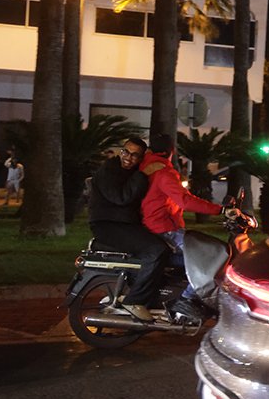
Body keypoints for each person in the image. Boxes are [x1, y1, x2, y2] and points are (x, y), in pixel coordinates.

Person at [140, 134, 223, 321]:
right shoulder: (164, 172)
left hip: (151, 225)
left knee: (189, 256)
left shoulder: (146, 167)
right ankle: (186, 299)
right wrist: (221, 210)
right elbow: (184, 201)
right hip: (163, 227)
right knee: (207, 259)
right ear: (172, 151)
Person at [90, 137, 169, 322]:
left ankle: (143, 293)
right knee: (157, 250)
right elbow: (122, 197)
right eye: (126, 152)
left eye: (135, 155)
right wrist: (144, 173)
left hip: (123, 224)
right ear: (121, 151)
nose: (128, 158)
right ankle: (135, 301)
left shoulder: (132, 171)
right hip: (108, 225)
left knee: (165, 246)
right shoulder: (109, 169)